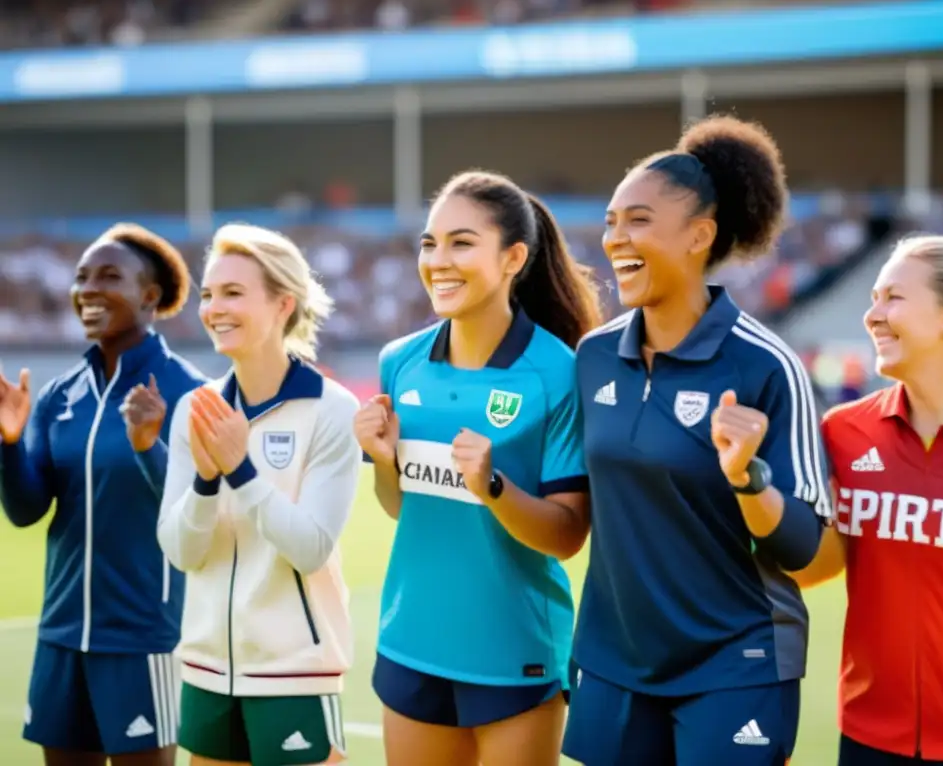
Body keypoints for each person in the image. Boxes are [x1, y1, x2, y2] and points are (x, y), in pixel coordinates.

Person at [563, 115, 832, 766]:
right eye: (610, 221)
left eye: (638, 221)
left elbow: (808, 550)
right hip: (612, 659)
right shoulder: (593, 357)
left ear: (699, 236)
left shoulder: (766, 366)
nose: (614, 240)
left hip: (734, 663)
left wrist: (747, 476)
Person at [354, 170, 602, 766]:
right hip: (411, 643)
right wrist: (386, 463)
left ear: (514, 257)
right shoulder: (399, 363)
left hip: (513, 651)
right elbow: (399, 506)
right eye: (429, 243)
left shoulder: (559, 372)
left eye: (462, 243)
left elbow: (567, 535)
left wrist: (493, 487)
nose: (438, 260)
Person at [794, 229, 943, 765]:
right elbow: (815, 570)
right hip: (871, 736)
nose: (872, 315)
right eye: (872, 298)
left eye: (893, 297)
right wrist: (751, 491)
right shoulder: (843, 431)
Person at [157, 223, 361, 766]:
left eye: (232, 293)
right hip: (205, 670)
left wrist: (239, 471)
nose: (213, 307)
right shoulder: (193, 409)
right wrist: (205, 483)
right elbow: (180, 552)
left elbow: (311, 548)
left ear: (281, 305)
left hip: (296, 672)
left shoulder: (333, 411)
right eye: (207, 294)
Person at [0, 223, 204, 766]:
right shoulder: (59, 395)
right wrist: (8, 444)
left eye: (109, 276)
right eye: (81, 277)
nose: (88, 289)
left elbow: (198, 511)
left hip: (142, 639)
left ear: (151, 295)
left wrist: (147, 445)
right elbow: (26, 510)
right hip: (61, 636)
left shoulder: (190, 391)